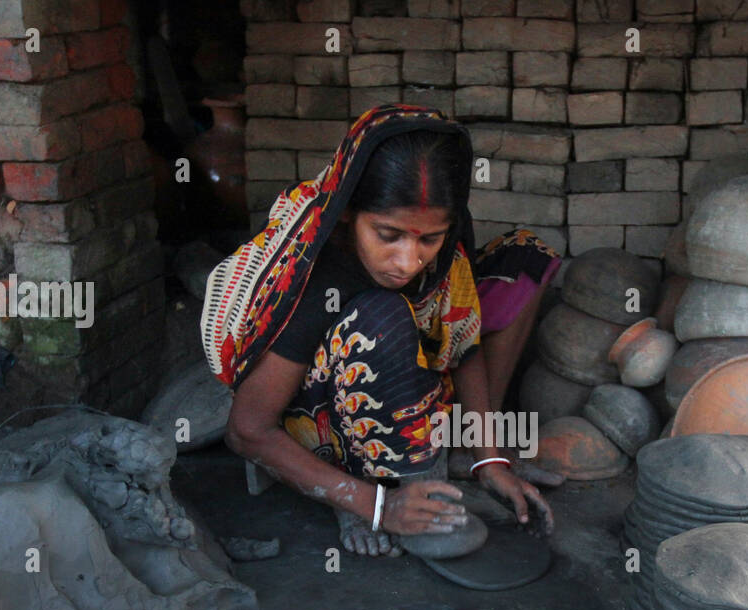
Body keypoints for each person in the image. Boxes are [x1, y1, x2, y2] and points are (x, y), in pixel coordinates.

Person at [203, 104, 559, 556]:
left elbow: (463, 344)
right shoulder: (313, 273)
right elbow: (247, 430)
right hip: (323, 414)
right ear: (351, 211)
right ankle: (356, 481)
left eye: (428, 239)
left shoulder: (444, 248)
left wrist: (488, 457)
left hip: (414, 377)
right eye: (388, 235)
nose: (409, 262)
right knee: (381, 314)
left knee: (526, 256)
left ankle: (453, 449)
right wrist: (376, 506)